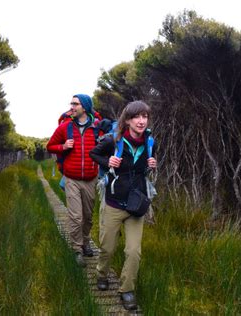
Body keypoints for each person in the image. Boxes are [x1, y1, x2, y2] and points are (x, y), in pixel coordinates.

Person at [89, 100, 157, 311]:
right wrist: (108, 161)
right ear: (127, 120)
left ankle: (126, 290)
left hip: (136, 205)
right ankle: (101, 273)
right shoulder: (113, 140)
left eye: (144, 116)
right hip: (113, 203)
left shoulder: (150, 141)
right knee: (107, 247)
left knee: (134, 251)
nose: (141, 121)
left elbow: (148, 164)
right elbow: (94, 154)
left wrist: (152, 163)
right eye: (137, 117)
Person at [46, 94, 100, 267]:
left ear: (84, 107)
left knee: (88, 216)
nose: (71, 106)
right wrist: (63, 146)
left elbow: (111, 145)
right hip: (71, 179)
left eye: (75, 104)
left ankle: (85, 242)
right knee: (76, 216)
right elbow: (50, 146)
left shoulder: (97, 127)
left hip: (91, 179)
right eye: (71, 103)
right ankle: (77, 250)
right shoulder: (66, 127)